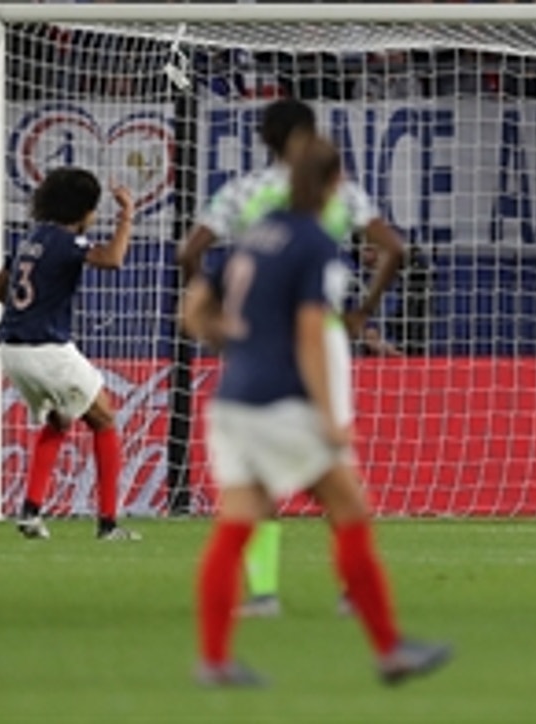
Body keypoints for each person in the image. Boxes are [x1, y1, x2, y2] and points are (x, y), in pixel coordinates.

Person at [180, 139, 451, 687]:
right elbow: (311, 334)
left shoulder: (251, 237)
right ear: (333, 185)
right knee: (349, 507)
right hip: (282, 402)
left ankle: (213, 660)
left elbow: (192, 312)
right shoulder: (314, 246)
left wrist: (232, 343)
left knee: (235, 525)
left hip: (231, 400)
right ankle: (389, 650)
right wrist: (330, 415)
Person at [178, 98, 405, 617]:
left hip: (254, 338)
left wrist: (215, 318)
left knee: (252, 473)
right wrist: (361, 313)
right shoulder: (340, 190)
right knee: (335, 463)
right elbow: (394, 248)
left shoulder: (242, 192)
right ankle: (352, 590)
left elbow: (190, 253)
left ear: (265, 140)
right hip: (319, 334)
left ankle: (262, 593)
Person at [0, 168, 140, 541]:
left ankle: (30, 511)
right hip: (46, 348)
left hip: (12, 349)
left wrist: (37, 305)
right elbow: (113, 259)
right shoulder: (64, 241)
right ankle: (108, 525)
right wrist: (126, 215)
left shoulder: (31, 239)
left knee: (59, 422)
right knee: (105, 420)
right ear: (84, 210)